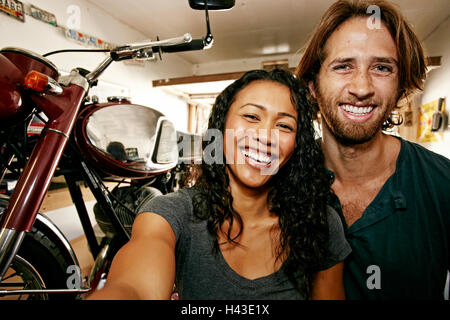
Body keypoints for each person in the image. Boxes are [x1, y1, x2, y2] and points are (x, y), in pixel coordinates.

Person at [88, 69, 351, 300]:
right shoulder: (172, 214)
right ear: (221, 126)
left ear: (296, 145)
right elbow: (134, 288)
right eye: (251, 116)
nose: (265, 136)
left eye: (284, 125)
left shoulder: (320, 222)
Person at [296, 0, 450, 299]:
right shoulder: (278, 183)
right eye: (343, 66)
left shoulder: (441, 185)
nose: (362, 87)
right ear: (313, 84)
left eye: (381, 68)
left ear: (401, 86)